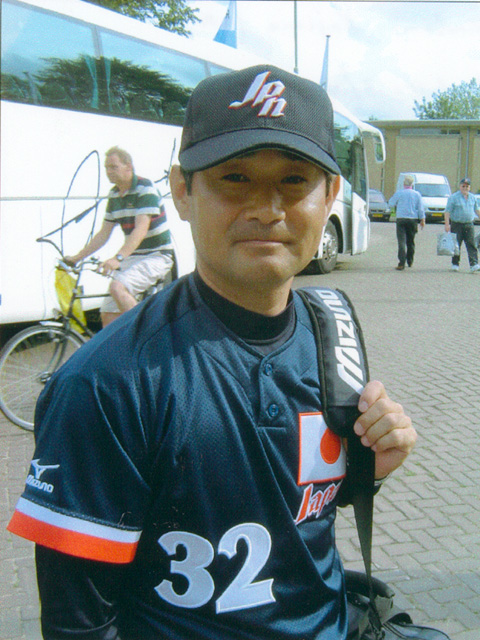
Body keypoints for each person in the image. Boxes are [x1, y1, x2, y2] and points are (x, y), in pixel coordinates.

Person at [8, 65, 417, 640]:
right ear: (182, 191)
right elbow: (81, 623)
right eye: (234, 177)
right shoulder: (106, 383)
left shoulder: (334, 331)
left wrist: (369, 468)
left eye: (294, 179)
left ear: (329, 195)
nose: (267, 207)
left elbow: (301, 502)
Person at [65, 146, 174, 326]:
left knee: (118, 287)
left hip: (156, 256)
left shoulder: (145, 189)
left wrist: (118, 258)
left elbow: (141, 229)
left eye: (113, 167)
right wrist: (77, 258)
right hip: (134, 257)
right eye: (106, 168)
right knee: (109, 314)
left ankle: (148, 335)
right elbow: (103, 234)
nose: (109, 172)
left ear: (128, 166)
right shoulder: (114, 195)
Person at [388, 175, 425, 270]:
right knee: (410, 241)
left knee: (401, 241)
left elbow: (391, 203)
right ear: (412, 184)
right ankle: (410, 260)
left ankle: (401, 263)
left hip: (401, 219)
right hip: (412, 220)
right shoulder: (417, 194)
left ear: (404, 184)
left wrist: (396, 207)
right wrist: (422, 219)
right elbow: (420, 208)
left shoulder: (399, 193)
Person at [444, 177, 480, 272]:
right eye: (463, 186)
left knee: (471, 244)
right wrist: (447, 224)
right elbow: (447, 211)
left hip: (469, 224)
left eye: (467, 186)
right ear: (460, 186)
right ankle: (455, 263)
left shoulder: (473, 198)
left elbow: (477, 210)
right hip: (457, 224)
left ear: (469, 187)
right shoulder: (453, 197)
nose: (465, 188)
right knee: (456, 245)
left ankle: (474, 264)